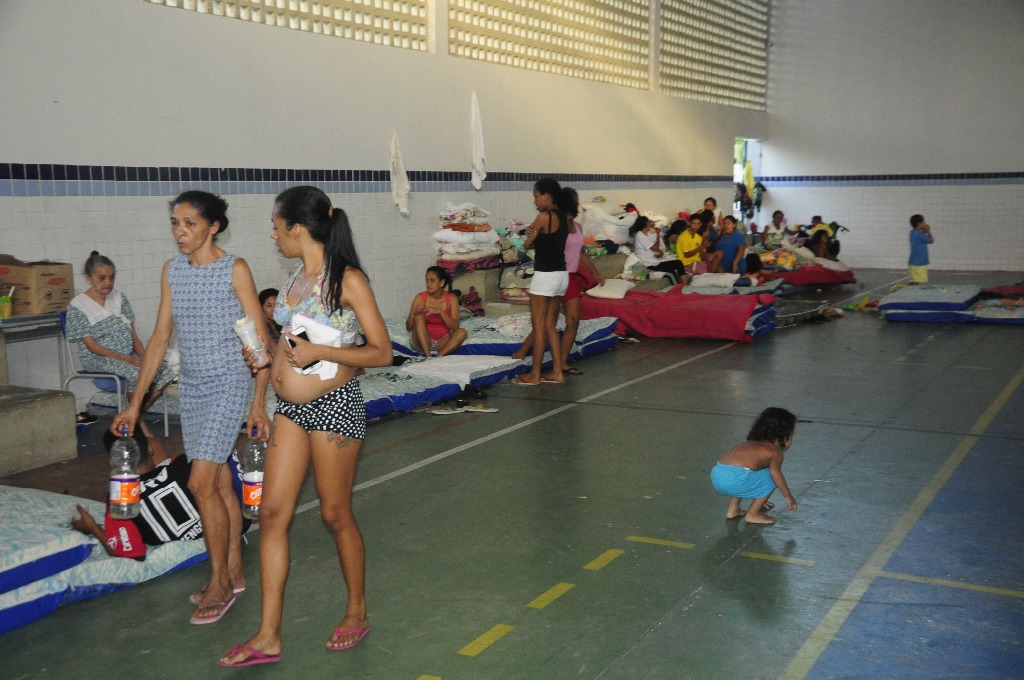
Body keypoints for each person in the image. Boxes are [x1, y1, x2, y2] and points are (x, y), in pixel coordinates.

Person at [219, 186, 392, 668]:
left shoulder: (347, 280)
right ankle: (268, 634)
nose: (273, 236)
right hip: (290, 411)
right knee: (273, 515)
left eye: (277, 228)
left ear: (298, 228)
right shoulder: (296, 277)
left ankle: (356, 610)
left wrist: (321, 353)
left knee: (335, 515)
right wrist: (260, 397)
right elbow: (283, 344)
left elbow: (381, 351)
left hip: (334, 407)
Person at [111, 190, 272, 626]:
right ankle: (235, 570)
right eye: (175, 224)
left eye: (190, 224)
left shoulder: (234, 269)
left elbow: (259, 339)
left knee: (200, 484)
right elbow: (160, 339)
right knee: (217, 484)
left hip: (229, 384)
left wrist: (258, 404)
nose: (180, 233)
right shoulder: (173, 271)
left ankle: (219, 582)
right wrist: (134, 404)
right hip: (194, 387)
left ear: (213, 226)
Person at [65, 252, 176, 434]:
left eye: (111, 277)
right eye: (102, 278)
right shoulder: (78, 306)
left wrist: (146, 358)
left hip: (127, 357)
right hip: (98, 359)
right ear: (88, 278)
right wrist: (127, 359)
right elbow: (92, 347)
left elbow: (134, 338)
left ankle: (132, 414)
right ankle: (141, 427)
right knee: (134, 374)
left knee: (165, 372)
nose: (108, 283)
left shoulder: (119, 298)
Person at [512, 188, 605, 375]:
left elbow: (580, 253)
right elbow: (534, 241)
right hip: (557, 274)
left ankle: (559, 364)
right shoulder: (555, 221)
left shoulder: (575, 227)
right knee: (547, 323)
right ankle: (524, 355)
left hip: (568, 277)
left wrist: (595, 272)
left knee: (570, 321)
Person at [512, 178, 572, 386]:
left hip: (545, 275)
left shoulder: (543, 217)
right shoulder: (565, 217)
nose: (535, 201)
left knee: (538, 326)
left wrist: (530, 234)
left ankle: (535, 375)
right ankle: (557, 372)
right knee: (550, 326)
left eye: (536, 197)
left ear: (547, 196)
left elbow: (526, 246)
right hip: (561, 275)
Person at [710, 407, 798, 525]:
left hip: (717, 476)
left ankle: (733, 509)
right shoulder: (774, 452)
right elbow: (776, 475)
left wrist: (760, 495)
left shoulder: (749, 445)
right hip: (736, 481)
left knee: (747, 472)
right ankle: (753, 514)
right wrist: (788, 496)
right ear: (784, 436)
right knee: (772, 477)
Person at [406, 266, 468, 358]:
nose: (428, 284)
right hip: (423, 340)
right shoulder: (420, 298)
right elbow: (408, 328)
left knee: (462, 332)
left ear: (442, 282)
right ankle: (428, 356)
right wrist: (413, 315)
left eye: (432, 280)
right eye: (427, 280)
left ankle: (438, 357)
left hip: (442, 341)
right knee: (419, 317)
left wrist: (441, 313)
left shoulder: (451, 299)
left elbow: (455, 327)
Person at [628, 215, 686, 284]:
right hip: (649, 265)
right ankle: (681, 288)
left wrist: (659, 253)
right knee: (672, 271)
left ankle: (684, 286)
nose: (651, 224)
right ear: (645, 223)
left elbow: (656, 249)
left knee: (678, 263)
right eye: (649, 222)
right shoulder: (640, 235)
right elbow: (656, 247)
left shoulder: (649, 235)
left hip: (656, 262)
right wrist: (657, 234)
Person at [908, 214, 934, 285]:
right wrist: (928, 231)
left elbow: (920, 235)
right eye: (923, 222)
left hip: (912, 263)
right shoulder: (919, 234)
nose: (925, 223)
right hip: (920, 263)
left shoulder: (912, 233)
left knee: (914, 281)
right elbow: (931, 241)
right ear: (919, 224)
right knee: (921, 283)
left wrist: (923, 231)